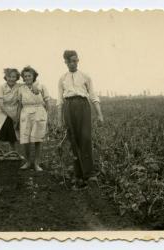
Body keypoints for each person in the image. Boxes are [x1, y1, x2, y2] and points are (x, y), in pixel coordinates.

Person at [57, 50, 104, 190]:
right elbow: (59, 101)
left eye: (75, 60)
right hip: (68, 107)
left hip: (83, 106)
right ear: (65, 62)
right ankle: (78, 175)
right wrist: (59, 120)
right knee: (73, 139)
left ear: (78, 60)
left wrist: (100, 115)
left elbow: (93, 96)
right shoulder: (62, 79)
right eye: (69, 61)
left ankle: (89, 174)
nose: (72, 63)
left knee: (85, 138)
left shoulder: (85, 77)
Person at [18, 66, 50, 171]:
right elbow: (19, 104)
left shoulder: (41, 86)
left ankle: (36, 163)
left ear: (34, 76)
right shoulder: (21, 89)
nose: (27, 78)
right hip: (25, 114)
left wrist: (48, 116)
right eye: (25, 76)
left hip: (39, 112)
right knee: (25, 139)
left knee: (37, 139)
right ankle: (28, 162)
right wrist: (17, 119)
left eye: (29, 75)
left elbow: (47, 102)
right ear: (23, 77)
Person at [0, 68, 20, 151]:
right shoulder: (2, 87)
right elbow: (1, 105)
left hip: (14, 112)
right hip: (2, 113)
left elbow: (30, 85)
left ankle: (13, 154)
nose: (11, 79)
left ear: (17, 78)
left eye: (14, 77)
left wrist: (15, 116)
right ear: (6, 77)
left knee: (12, 136)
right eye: (9, 77)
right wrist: (12, 116)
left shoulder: (19, 87)